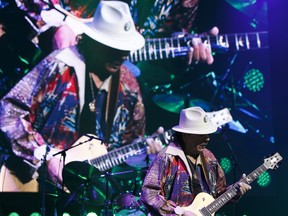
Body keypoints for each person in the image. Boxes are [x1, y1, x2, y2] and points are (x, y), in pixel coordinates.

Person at [0, 0, 163, 195]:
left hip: (89, 197)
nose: (121, 56)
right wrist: (45, 157)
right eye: (113, 48)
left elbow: (129, 147)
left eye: (124, 49)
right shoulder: (59, 65)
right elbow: (8, 113)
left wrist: (146, 154)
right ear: (94, 41)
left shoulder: (129, 85)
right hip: (37, 187)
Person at [140, 106, 252, 215]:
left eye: (208, 133)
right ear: (185, 135)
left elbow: (219, 193)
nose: (207, 138)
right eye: (201, 135)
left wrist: (236, 190)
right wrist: (178, 213)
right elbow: (149, 194)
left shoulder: (209, 157)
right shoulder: (167, 156)